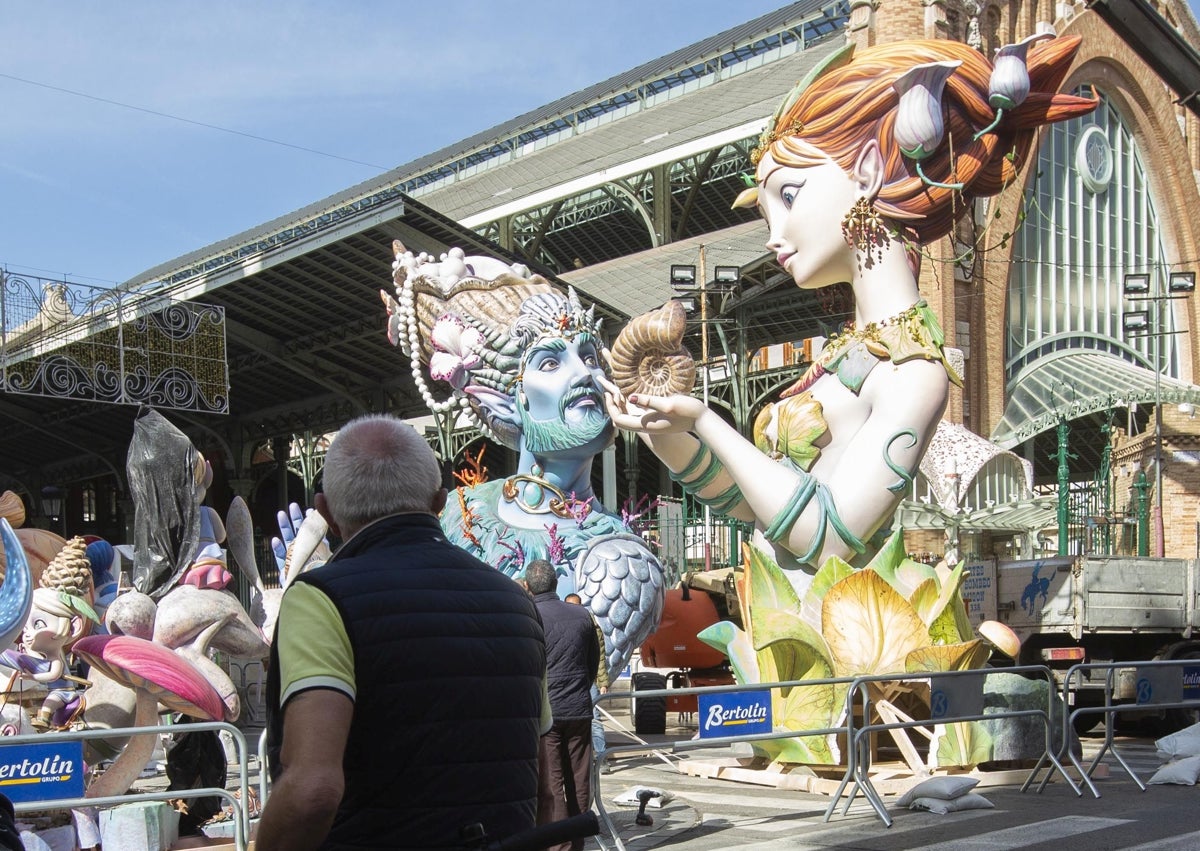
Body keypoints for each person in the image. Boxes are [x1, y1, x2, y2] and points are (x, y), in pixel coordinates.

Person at [605, 37, 1096, 597]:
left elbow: (829, 538)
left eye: (789, 196)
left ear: (864, 173)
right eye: (766, 211)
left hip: (850, 658)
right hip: (784, 636)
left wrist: (707, 420)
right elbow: (753, 503)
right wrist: (668, 433)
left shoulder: (915, 373)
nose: (773, 236)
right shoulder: (845, 355)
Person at [258, 414, 549, 851]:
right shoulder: (517, 603)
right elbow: (544, 789)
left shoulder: (319, 600)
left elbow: (312, 790)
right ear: (439, 502)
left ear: (326, 513)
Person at [383, 246, 665, 676]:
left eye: (589, 357)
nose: (584, 374)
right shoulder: (454, 516)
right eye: (551, 361)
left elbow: (569, 682)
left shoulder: (621, 558)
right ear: (507, 401)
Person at [526, 559, 598, 851]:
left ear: (528, 587)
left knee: (553, 784)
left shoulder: (530, 616)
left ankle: (560, 846)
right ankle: (579, 841)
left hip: (548, 711)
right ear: (556, 584)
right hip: (579, 706)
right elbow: (592, 663)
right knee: (579, 780)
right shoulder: (581, 615)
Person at [565, 593, 610, 762]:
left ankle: (600, 756)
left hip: (587, 678)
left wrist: (602, 681)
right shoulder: (561, 623)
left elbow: (599, 655)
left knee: (595, 718)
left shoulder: (591, 625)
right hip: (566, 679)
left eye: (577, 606)